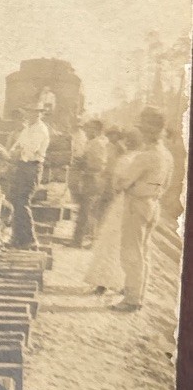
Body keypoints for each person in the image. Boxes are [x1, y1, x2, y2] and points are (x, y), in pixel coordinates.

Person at [111, 108, 174, 312]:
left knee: (131, 251)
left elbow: (122, 182)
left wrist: (120, 182)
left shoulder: (145, 156)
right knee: (143, 251)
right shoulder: (166, 155)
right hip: (153, 204)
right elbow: (167, 184)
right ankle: (136, 291)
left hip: (136, 204)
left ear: (148, 133)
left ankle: (132, 298)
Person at [84, 128, 142, 296]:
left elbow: (117, 185)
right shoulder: (140, 159)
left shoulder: (125, 160)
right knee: (129, 244)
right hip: (134, 204)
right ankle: (124, 283)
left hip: (122, 203)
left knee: (110, 242)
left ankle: (103, 283)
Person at [6, 105, 50, 248]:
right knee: (15, 200)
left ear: (41, 114)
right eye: (30, 112)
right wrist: (14, 152)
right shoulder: (27, 128)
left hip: (32, 167)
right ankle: (17, 238)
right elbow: (16, 146)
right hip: (22, 166)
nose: (33, 115)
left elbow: (31, 150)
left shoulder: (40, 129)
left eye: (36, 113)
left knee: (23, 201)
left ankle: (30, 239)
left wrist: (17, 152)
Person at [71, 119, 109, 247]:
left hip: (93, 179)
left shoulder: (97, 143)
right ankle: (80, 239)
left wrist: (83, 164)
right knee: (85, 209)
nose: (87, 131)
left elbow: (99, 164)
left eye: (90, 129)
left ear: (97, 130)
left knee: (86, 210)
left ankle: (80, 240)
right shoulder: (92, 142)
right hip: (89, 178)